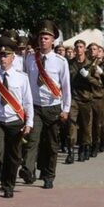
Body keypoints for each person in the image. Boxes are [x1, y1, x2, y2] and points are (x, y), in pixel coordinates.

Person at [0, 35, 34, 198]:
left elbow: (28, 102)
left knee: (13, 155)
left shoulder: (22, 78)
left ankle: (8, 184)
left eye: (6, 55)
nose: (3, 58)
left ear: (13, 57)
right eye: (1, 55)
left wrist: (29, 122)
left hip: (14, 120)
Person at [23, 20, 70, 189]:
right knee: (32, 140)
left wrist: (66, 109)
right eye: (41, 37)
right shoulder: (29, 59)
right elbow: (25, 82)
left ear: (53, 41)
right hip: (34, 106)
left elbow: (66, 87)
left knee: (51, 143)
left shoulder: (60, 61)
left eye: (47, 37)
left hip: (53, 107)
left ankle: (49, 175)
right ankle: (28, 169)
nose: (43, 40)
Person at [68, 39, 100, 162]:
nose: (78, 49)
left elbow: (98, 83)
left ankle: (83, 149)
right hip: (73, 98)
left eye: (81, 47)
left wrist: (88, 77)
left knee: (86, 126)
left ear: (84, 49)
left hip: (86, 98)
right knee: (71, 125)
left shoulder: (91, 65)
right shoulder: (69, 63)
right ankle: (71, 152)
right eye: (77, 47)